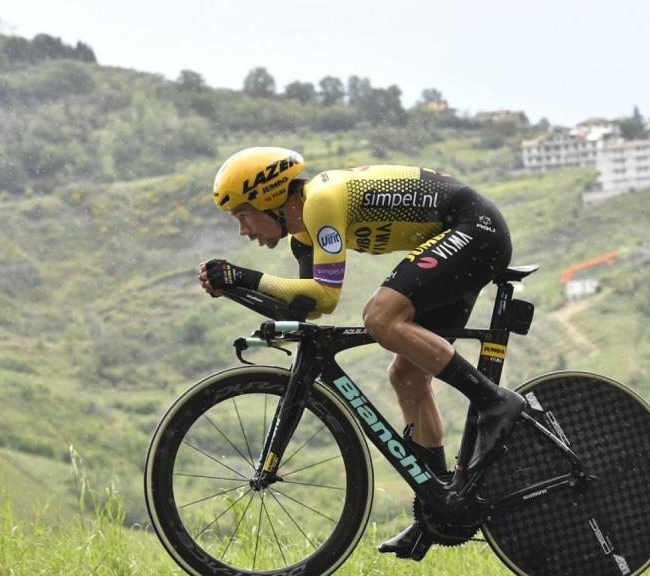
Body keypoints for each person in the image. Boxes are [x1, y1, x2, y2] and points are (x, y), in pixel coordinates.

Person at [197, 146, 525, 559]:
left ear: (268, 198)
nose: (243, 230)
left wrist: (245, 274)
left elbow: (326, 296)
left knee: (380, 316)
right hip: (454, 238)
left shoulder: (321, 202)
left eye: (242, 215)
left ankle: (494, 401)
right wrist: (235, 287)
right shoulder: (303, 236)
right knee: (406, 377)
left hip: (475, 228)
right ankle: (439, 506)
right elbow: (309, 305)